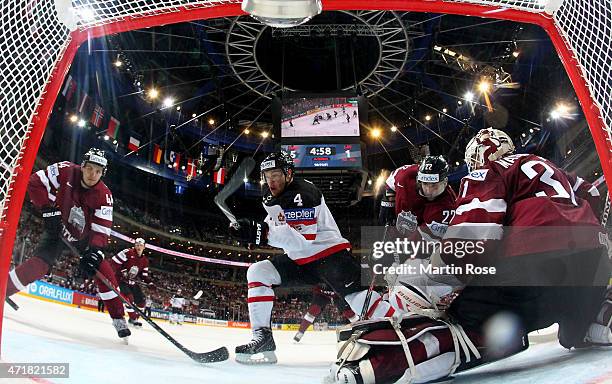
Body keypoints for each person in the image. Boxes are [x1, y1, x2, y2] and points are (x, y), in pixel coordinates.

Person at [326, 128, 610, 384]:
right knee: (573, 325)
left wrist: (432, 287)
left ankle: (375, 363)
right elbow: (596, 195)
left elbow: (472, 238)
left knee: (467, 323)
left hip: (533, 263)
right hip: (593, 262)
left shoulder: (488, 171)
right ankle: (593, 316)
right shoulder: (552, 168)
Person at [230, 151, 394, 365]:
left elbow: (302, 240)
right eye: (267, 175)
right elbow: (277, 221)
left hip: (330, 255)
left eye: (276, 174)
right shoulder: (268, 194)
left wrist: (263, 234)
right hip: (301, 261)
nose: (271, 181)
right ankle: (263, 339)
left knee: (358, 298)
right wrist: (252, 231)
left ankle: (402, 330)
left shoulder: (304, 193)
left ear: (289, 173)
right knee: (258, 271)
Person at [5, 148, 130, 339]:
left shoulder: (104, 195)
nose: (92, 175)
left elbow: (101, 228)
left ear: (102, 173)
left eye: (98, 171)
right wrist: (47, 209)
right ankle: (3, 289)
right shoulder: (65, 170)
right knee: (38, 266)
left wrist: (95, 250)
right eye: (89, 169)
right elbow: (35, 183)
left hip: (85, 239)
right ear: (83, 166)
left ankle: (119, 319)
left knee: (105, 276)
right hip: (58, 229)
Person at [293, 284, 359, 342]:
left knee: (348, 312)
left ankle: (360, 329)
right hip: (322, 293)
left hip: (338, 292)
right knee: (314, 309)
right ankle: (300, 332)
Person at [111, 237, 152, 327]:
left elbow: (143, 275)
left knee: (142, 302)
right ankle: (133, 318)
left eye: (140, 245)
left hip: (132, 282)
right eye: (137, 244)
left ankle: (134, 318)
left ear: (144, 247)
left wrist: (149, 283)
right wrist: (122, 271)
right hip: (121, 281)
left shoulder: (145, 260)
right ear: (134, 245)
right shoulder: (127, 252)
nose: (138, 247)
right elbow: (113, 262)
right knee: (129, 299)